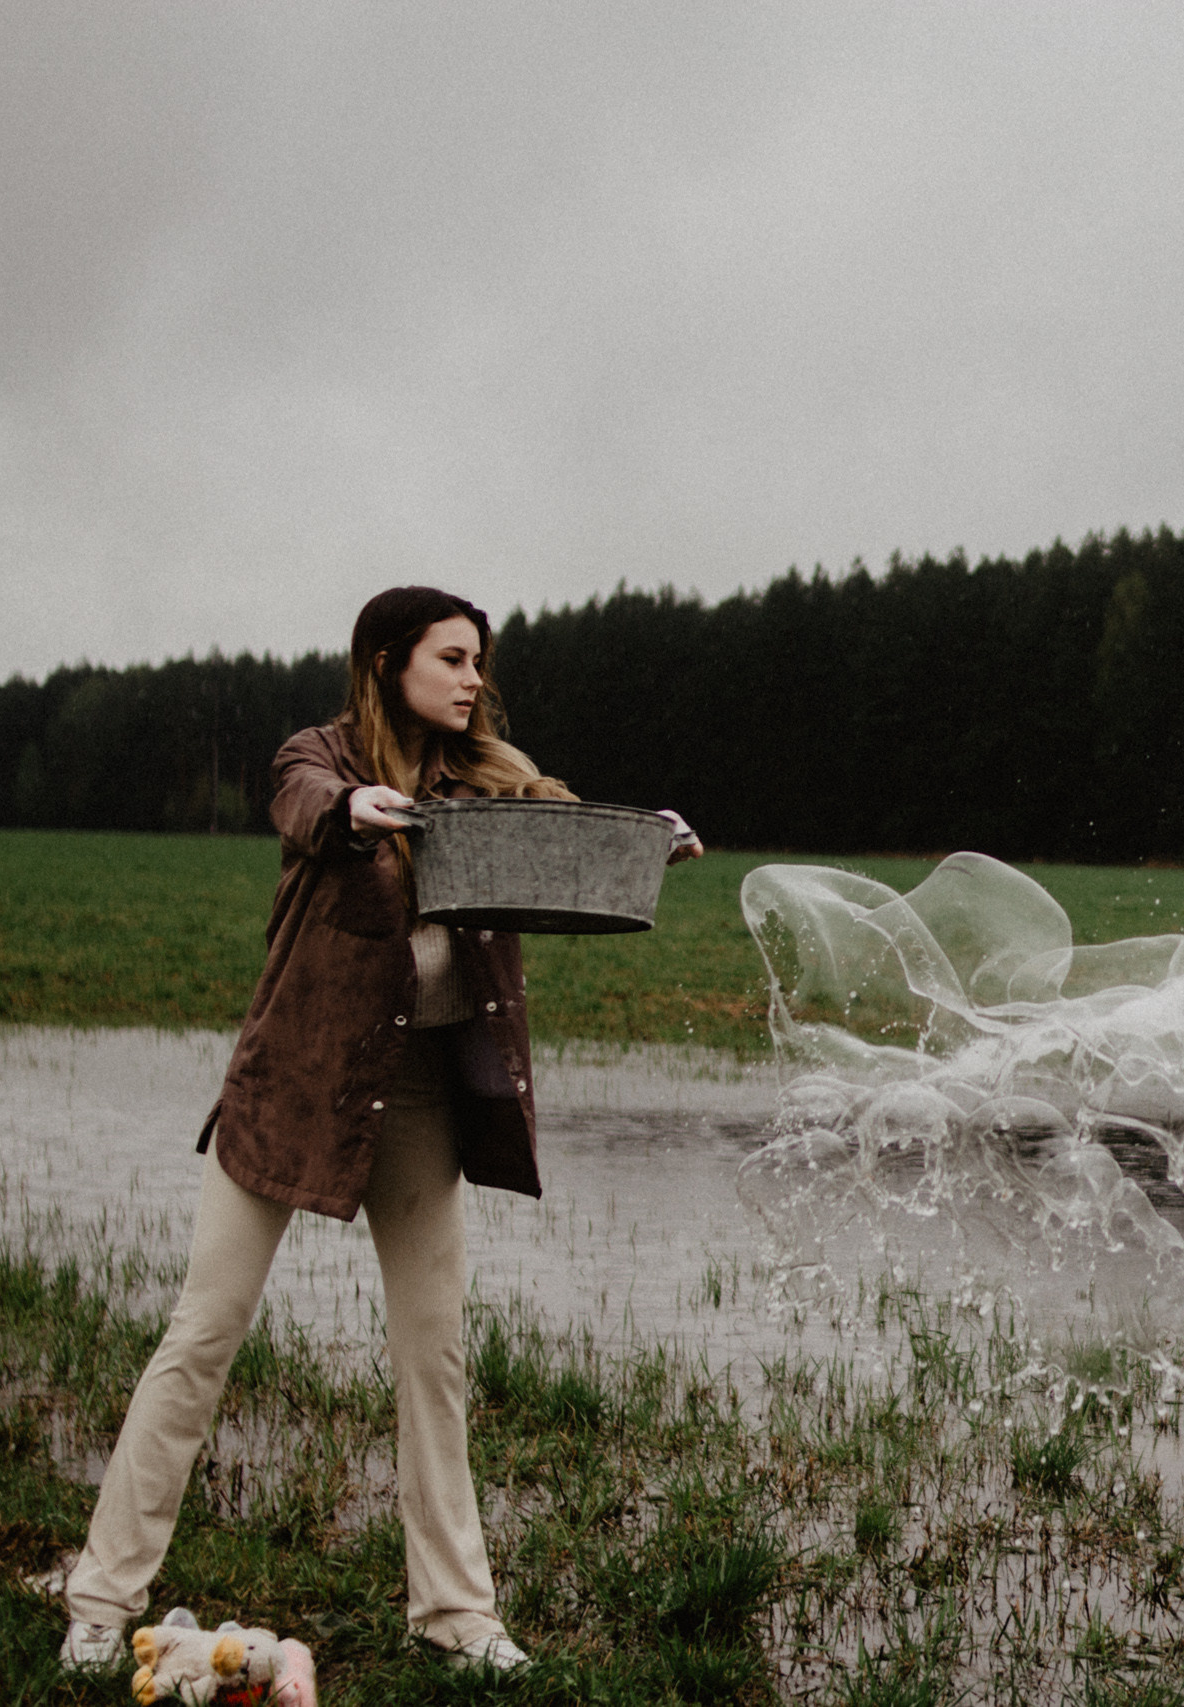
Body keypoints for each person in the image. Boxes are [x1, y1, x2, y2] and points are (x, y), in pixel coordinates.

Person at [59, 586, 702, 1681]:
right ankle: (99, 1598)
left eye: (478, 664)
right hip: (295, 1086)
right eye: (452, 659)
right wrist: (352, 813)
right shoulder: (318, 756)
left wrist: (650, 839)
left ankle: (456, 1618)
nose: (471, 681)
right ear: (388, 659)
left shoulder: (487, 776)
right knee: (202, 1335)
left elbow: (564, 821)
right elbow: (303, 797)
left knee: (432, 1352)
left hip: (417, 1099)